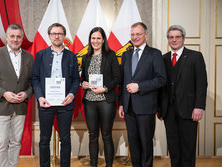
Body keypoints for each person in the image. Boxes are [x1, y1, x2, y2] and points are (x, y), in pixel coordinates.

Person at [0, 24, 33, 167]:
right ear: (6, 37)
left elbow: (32, 82)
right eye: (12, 36)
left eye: (18, 37)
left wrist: (27, 94)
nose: (15, 39)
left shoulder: (29, 57)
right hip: (1, 107)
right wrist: (4, 93)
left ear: (22, 38)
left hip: (20, 107)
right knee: (2, 143)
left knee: (16, 142)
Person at [158, 25, 208, 167]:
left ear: (183, 38)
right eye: (171, 37)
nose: (174, 40)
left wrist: (199, 107)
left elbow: (202, 84)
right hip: (168, 112)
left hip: (189, 110)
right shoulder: (163, 58)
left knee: (188, 149)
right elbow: (161, 87)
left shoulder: (195, 56)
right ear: (168, 39)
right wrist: (160, 108)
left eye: (177, 37)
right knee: (173, 149)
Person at [118, 22, 166, 167]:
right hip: (128, 107)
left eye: (138, 34)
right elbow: (123, 81)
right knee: (133, 143)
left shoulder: (155, 54)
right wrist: (121, 103)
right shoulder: (126, 55)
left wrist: (139, 86)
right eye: (132, 34)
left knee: (146, 143)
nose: (135, 37)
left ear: (146, 34)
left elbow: (161, 79)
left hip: (146, 106)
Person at [32, 23, 79, 167]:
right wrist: (40, 97)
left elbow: (76, 79)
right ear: (49, 36)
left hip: (65, 103)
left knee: (65, 139)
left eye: (59, 33)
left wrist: (71, 94)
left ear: (64, 36)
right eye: (54, 33)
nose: (57, 36)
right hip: (46, 103)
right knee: (45, 139)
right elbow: (35, 78)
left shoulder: (71, 56)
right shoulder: (41, 55)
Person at [81, 27, 121, 167]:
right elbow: (83, 78)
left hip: (106, 101)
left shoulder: (111, 55)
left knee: (106, 135)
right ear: (90, 40)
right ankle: (93, 164)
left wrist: (105, 88)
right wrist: (83, 84)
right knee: (92, 136)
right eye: (93, 38)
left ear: (103, 39)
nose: (96, 41)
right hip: (89, 102)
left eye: (98, 38)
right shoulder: (86, 57)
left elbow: (117, 78)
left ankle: (109, 165)